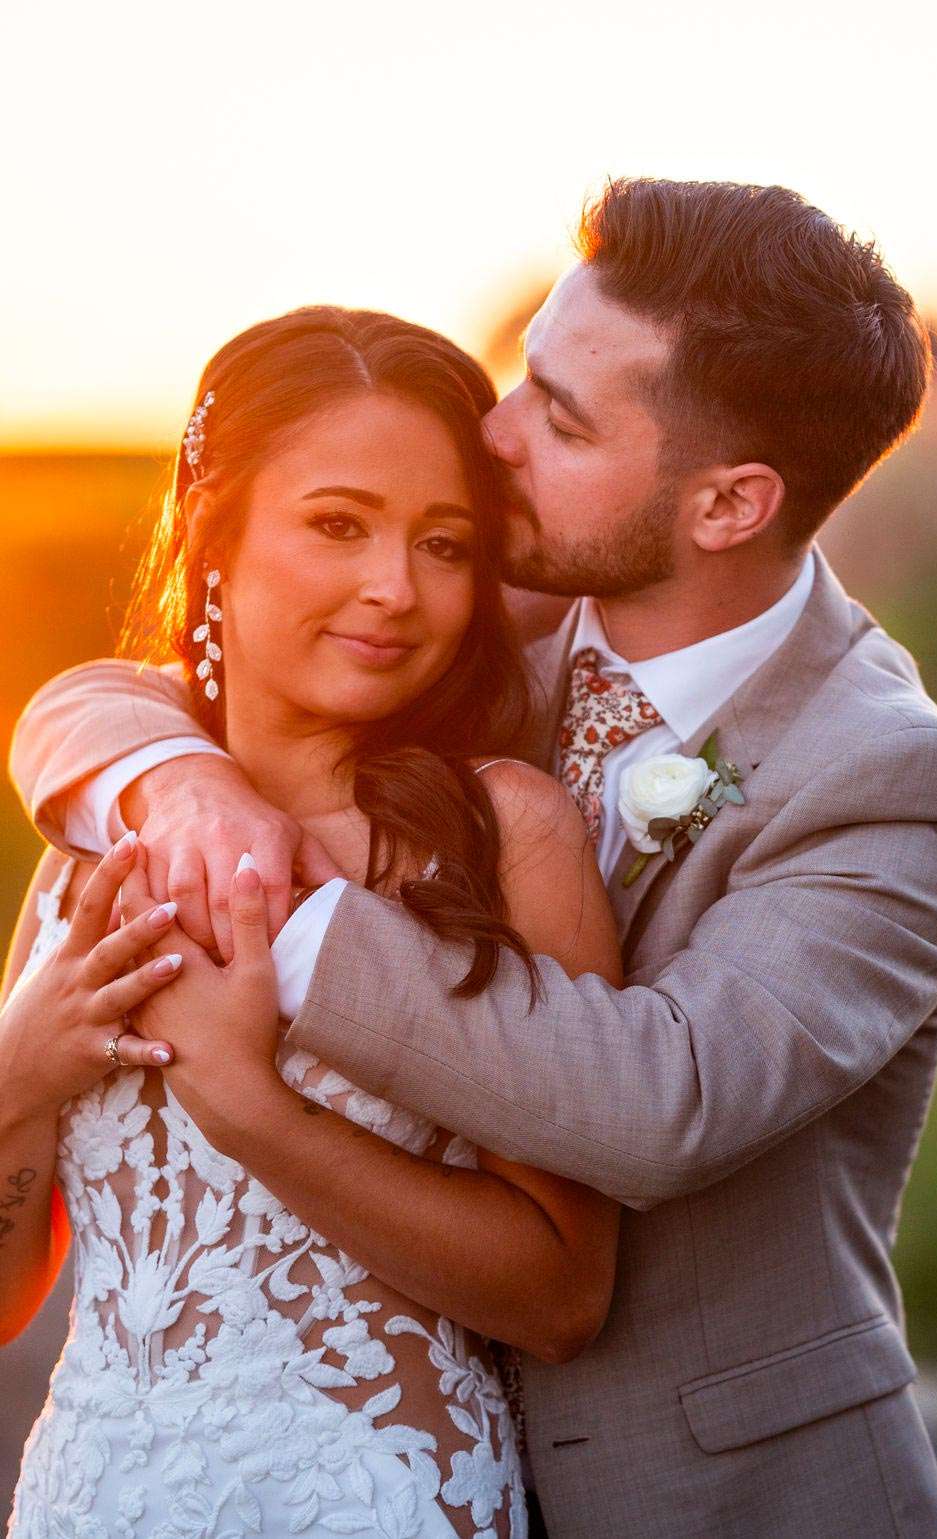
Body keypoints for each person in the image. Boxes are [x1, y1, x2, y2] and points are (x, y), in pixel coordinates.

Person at [10, 180, 937, 1538]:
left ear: (729, 503)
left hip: (725, 1499)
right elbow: (147, 673)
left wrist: (277, 913)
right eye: (523, 375)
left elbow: (669, 1098)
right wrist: (172, 783)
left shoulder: (891, 781)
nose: (493, 432)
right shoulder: (480, 614)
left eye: (560, 411)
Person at [1, 307, 625, 1538]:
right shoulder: (99, 838)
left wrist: (254, 1113)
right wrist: (17, 1077)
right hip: (97, 1499)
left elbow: (561, 1294)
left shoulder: (504, 840)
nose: (394, 590)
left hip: (378, 1501)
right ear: (212, 535)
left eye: (444, 544)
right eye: (338, 525)